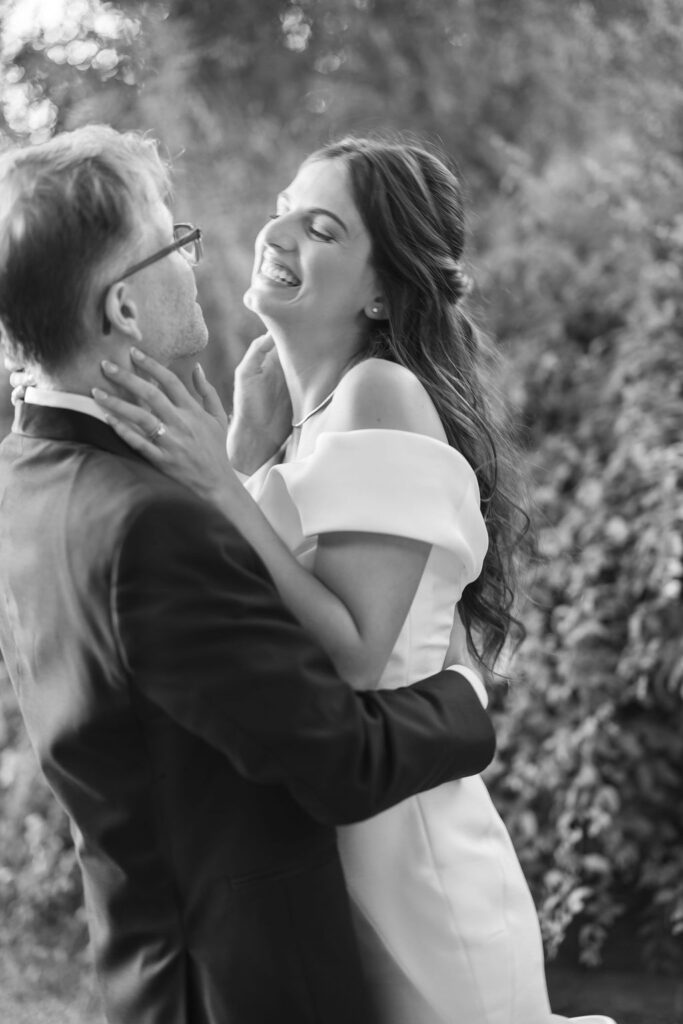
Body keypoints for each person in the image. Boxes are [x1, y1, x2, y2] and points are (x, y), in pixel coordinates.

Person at [90, 136, 618, 1024]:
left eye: (322, 228)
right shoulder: (300, 425)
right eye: (284, 208)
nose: (280, 233)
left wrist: (221, 479)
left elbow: (360, 655)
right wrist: (243, 456)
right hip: (331, 855)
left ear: (381, 288)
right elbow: (242, 606)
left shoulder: (383, 394)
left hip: (413, 867)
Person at [0, 125, 499, 1024]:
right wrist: (467, 694)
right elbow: (337, 750)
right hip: (244, 979)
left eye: (321, 226)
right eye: (173, 240)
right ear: (120, 308)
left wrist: (236, 467)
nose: (205, 255)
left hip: (322, 909)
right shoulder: (150, 518)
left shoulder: (31, 476)